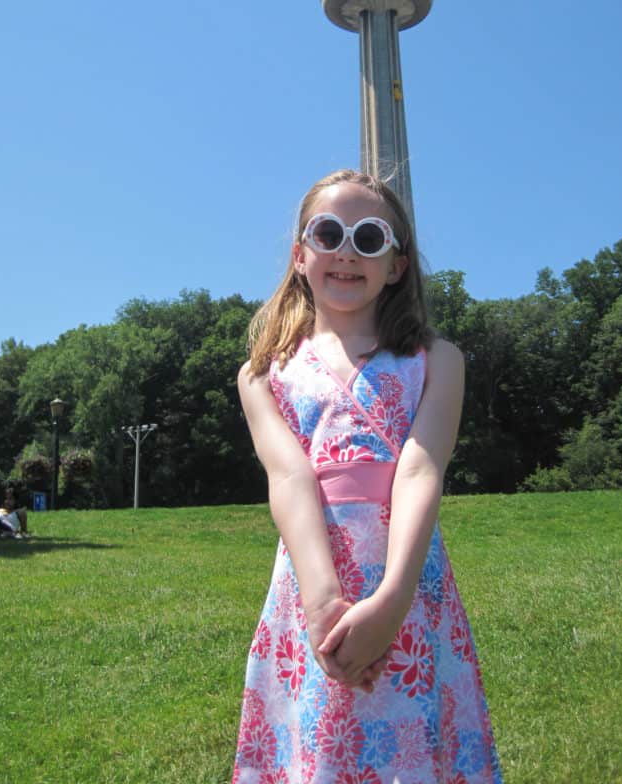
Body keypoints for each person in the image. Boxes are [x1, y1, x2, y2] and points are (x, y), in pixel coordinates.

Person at [233, 169, 502, 783]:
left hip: (409, 581)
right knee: (319, 745)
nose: (347, 251)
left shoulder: (438, 359)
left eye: (370, 237)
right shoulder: (261, 374)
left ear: (398, 265)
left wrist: (392, 601)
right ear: (301, 255)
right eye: (328, 233)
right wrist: (322, 598)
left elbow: (419, 467)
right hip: (309, 584)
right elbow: (289, 477)